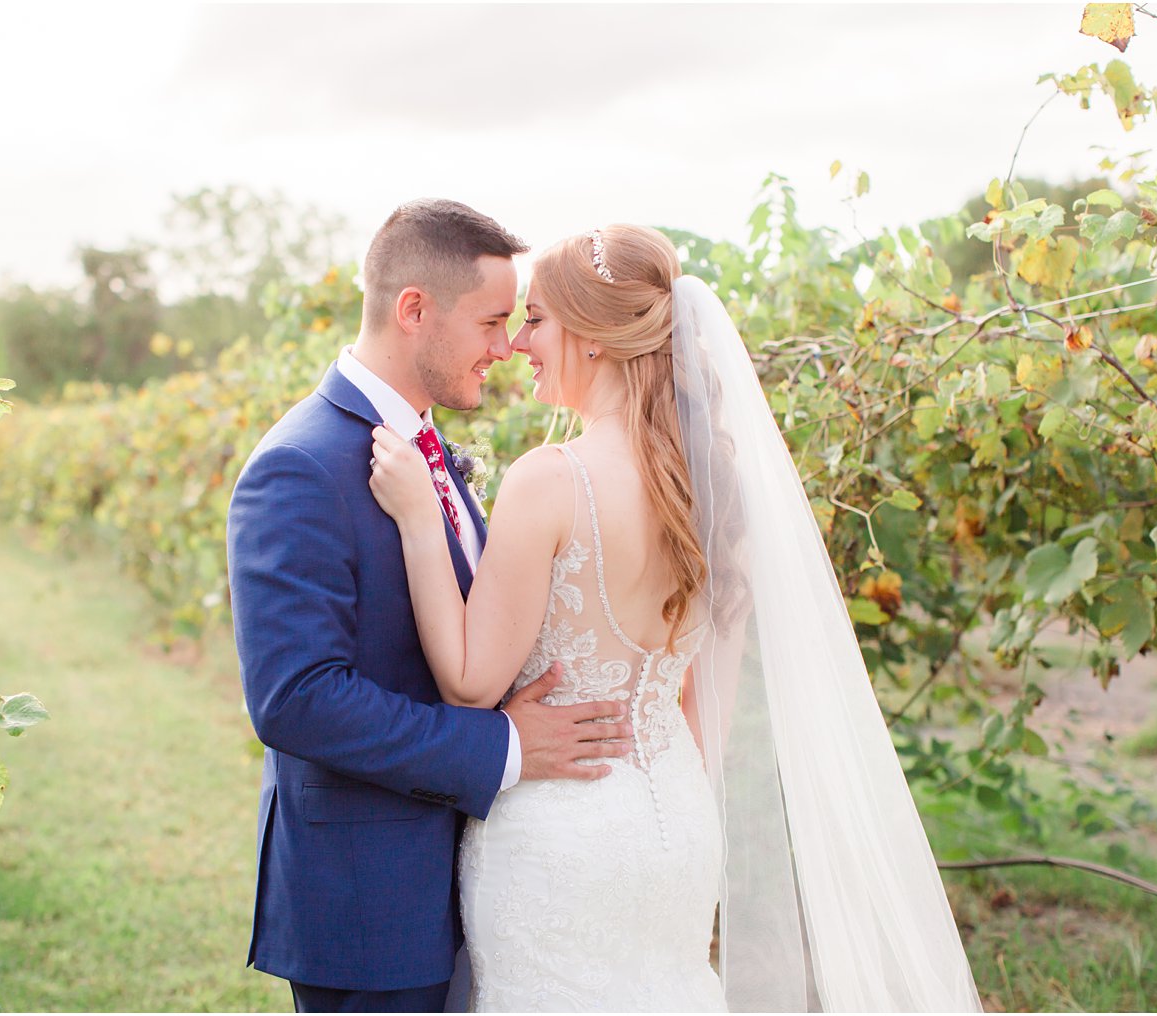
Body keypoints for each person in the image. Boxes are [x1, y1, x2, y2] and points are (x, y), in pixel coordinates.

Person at [368, 224, 986, 1011]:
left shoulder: (550, 480)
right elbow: (707, 716)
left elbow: (467, 681)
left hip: (563, 831)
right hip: (680, 826)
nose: (520, 342)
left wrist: (421, 521)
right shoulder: (716, 488)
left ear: (592, 337)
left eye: (538, 320)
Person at [225, 199, 634, 1015]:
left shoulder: (426, 446)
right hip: (371, 906)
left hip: (484, 884)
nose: (505, 347)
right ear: (414, 310)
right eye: (490, 322)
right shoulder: (299, 467)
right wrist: (502, 746)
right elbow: (296, 700)